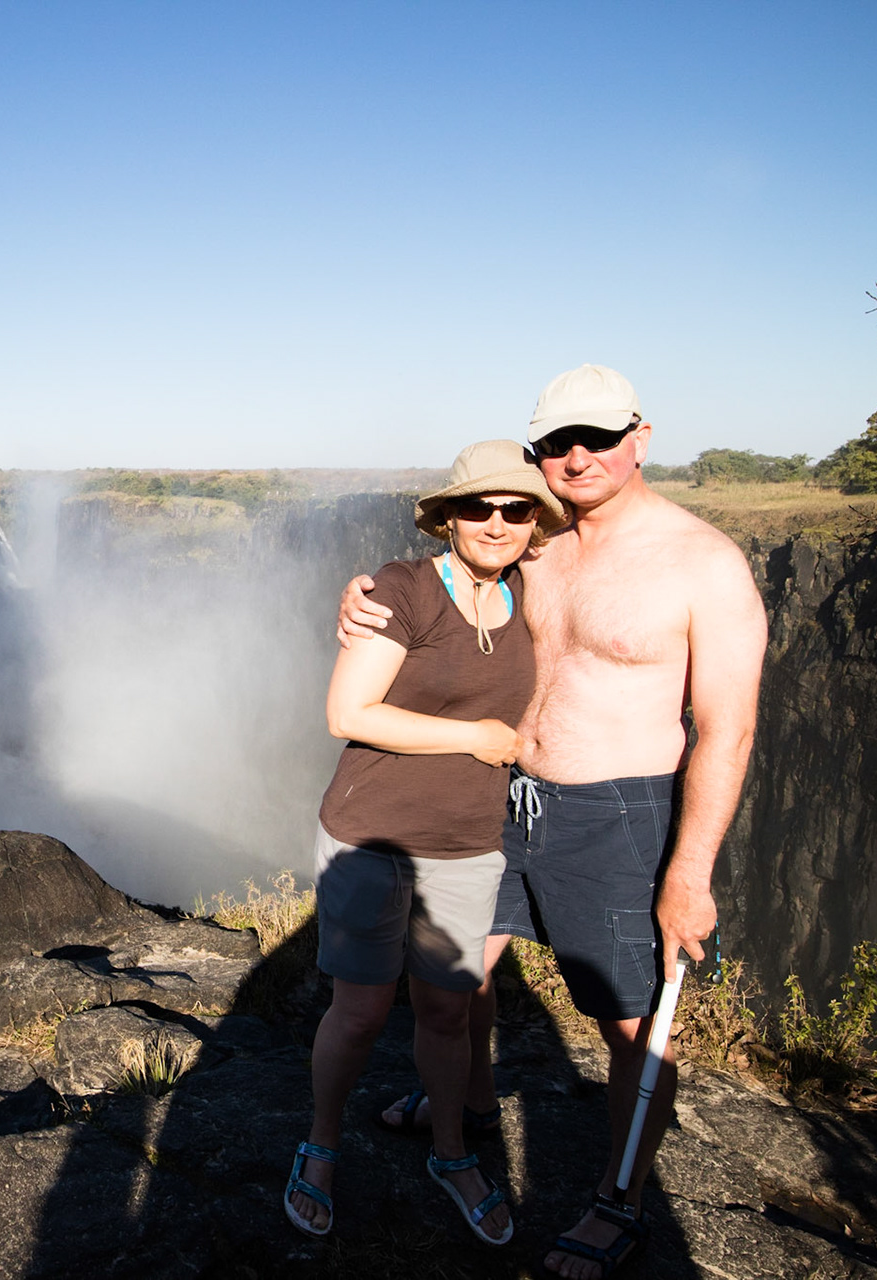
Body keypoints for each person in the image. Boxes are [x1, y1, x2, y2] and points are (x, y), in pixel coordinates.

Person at [337, 365, 768, 1278]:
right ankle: (468, 1102)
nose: (577, 458)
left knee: (628, 1022)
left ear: (639, 439)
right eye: (556, 444)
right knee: (461, 977)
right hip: (501, 797)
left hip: (615, 814)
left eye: (598, 439)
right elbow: (443, 588)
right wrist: (361, 594)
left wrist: (689, 875)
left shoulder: (703, 564)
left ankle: (621, 1199)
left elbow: (728, 732)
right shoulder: (536, 544)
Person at [285, 439, 564, 1247]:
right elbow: (347, 713)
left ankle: (450, 1153)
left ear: (536, 522)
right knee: (361, 1011)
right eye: (478, 507)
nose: (496, 523)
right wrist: (477, 736)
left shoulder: (534, 594)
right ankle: (320, 1145)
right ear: (448, 517)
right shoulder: (402, 589)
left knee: (448, 1010)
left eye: (516, 509)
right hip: (372, 833)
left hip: (469, 840)